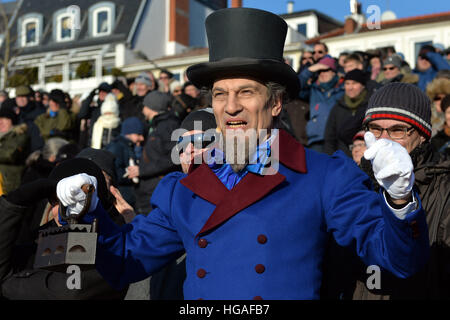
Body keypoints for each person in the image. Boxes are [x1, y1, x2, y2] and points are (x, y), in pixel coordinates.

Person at [55, 8, 429, 300]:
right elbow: (123, 261)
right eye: (220, 94)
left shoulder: (324, 176)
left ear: (277, 103)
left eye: (246, 92)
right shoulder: (180, 188)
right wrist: (88, 214)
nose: (231, 107)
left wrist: (399, 199)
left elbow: (398, 262)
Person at [349, 82, 450, 299]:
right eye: (375, 129)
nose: (384, 139)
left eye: (398, 130)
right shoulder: (353, 185)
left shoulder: (445, 188)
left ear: (422, 136)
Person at [0, 158, 129, 300]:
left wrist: (7, 282)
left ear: (97, 201)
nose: (62, 211)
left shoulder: (114, 246)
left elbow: (68, 291)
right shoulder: (52, 237)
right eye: (56, 202)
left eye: (74, 201)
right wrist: (15, 202)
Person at [150, 108, 217, 300]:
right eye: (182, 145)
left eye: (201, 142)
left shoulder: (243, 197)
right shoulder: (170, 197)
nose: (190, 150)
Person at [132, 91, 180, 215]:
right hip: (151, 187)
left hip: (159, 188)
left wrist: (142, 170)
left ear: (151, 107)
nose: (142, 109)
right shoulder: (156, 125)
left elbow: (174, 157)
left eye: (144, 106)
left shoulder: (168, 126)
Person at [299, 55, 344, 152]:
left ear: (333, 72)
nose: (322, 73)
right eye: (319, 71)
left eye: (326, 70)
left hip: (337, 140)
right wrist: (311, 69)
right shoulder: (313, 90)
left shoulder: (342, 89)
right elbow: (296, 85)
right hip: (316, 140)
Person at [324, 69, 369, 157]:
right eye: (347, 83)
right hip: (342, 158)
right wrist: (332, 159)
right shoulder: (337, 108)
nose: (350, 87)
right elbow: (329, 138)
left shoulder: (369, 106)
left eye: (354, 83)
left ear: (362, 86)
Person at [105, 117, 145, 209]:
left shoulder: (130, 146)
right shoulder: (117, 147)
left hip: (130, 195)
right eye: (138, 134)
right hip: (123, 194)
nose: (142, 138)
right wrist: (129, 174)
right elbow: (114, 171)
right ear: (129, 133)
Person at [0, 107, 29, 194]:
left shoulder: (19, 135)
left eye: (4, 119)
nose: (0, 122)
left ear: (11, 120)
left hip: (9, 183)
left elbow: (10, 155)